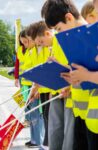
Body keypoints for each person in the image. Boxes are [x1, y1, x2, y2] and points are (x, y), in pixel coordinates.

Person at [41, 0, 98, 150]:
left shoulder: (92, 37)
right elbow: (83, 73)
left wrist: (85, 76)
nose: (59, 34)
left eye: (59, 29)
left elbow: (89, 74)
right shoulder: (75, 40)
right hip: (82, 114)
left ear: (69, 18)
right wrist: (71, 79)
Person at [28, 20, 74, 150]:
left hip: (67, 92)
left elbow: (72, 67)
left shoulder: (62, 41)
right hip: (56, 91)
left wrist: (68, 86)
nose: (42, 46)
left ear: (48, 33)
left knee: (67, 131)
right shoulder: (53, 46)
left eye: (41, 42)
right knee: (55, 128)